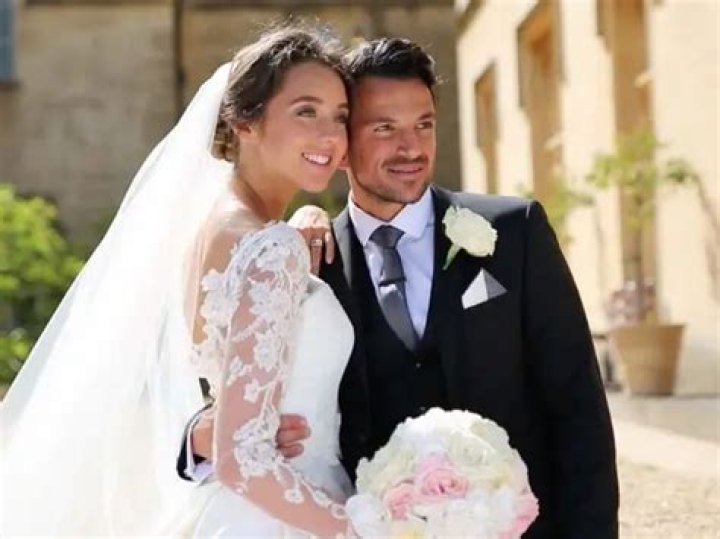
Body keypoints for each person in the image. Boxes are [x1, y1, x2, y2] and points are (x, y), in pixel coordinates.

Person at [185, 37, 620, 538]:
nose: (411, 148)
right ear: (343, 145)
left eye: (424, 125)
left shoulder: (515, 232)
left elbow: (578, 409)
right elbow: (225, 395)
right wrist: (200, 435)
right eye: (384, 128)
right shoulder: (308, 264)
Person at [1, 26, 357, 537]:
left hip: (229, 509)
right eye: (306, 111)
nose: (330, 135)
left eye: (340, 117)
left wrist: (308, 218)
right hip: (287, 513)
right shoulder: (271, 247)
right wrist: (361, 529)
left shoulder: (206, 231)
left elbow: (228, 423)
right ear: (244, 121)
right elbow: (243, 460)